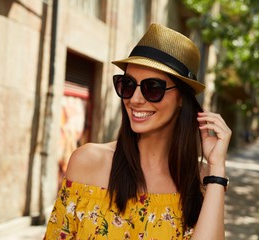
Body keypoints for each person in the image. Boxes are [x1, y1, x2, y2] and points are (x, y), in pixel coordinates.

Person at [44, 23, 231, 240]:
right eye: (128, 84)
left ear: (181, 98)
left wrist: (217, 168)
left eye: (153, 88)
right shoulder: (88, 162)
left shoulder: (202, 181)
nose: (134, 99)